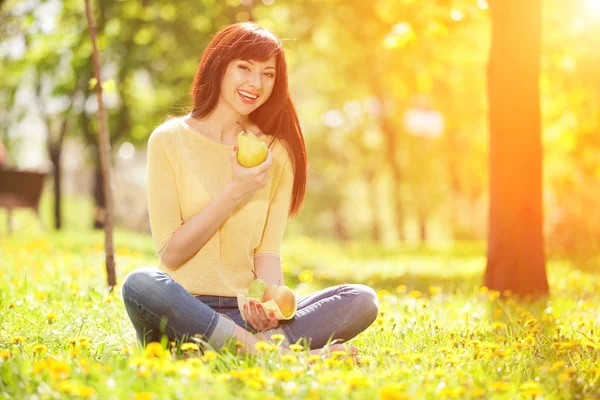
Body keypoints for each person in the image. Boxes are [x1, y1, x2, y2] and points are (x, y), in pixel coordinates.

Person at [121, 22, 379, 358]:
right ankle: (279, 357)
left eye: (268, 74)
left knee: (361, 299)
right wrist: (235, 191)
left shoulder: (275, 151)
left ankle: (225, 352)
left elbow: (267, 253)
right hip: (185, 311)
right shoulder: (169, 140)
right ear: (218, 67)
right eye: (244, 67)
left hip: (246, 316)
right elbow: (171, 253)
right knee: (140, 283)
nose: (255, 83)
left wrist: (270, 305)